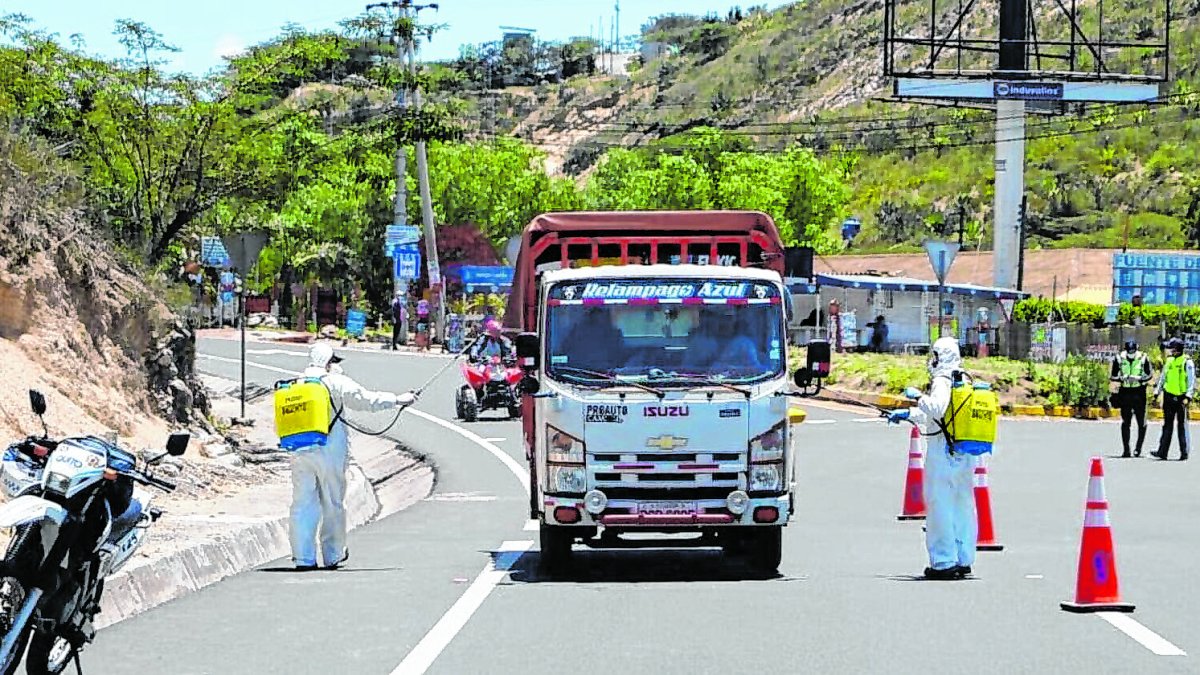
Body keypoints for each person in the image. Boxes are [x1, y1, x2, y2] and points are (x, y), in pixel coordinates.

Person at [290, 343, 417, 570]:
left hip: (299, 451)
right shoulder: (334, 382)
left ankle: (303, 557)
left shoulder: (296, 383)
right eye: (334, 362)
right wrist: (398, 400)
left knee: (302, 504)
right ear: (328, 363)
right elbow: (365, 399)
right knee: (332, 503)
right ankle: (333, 554)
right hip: (328, 452)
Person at [888, 337, 976, 580]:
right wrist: (909, 414)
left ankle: (943, 561)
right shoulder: (963, 379)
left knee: (940, 507)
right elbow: (943, 417)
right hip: (963, 453)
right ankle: (963, 557)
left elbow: (936, 409)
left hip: (943, 454)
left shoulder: (941, 380)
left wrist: (916, 398)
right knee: (962, 506)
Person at [1152, 337, 1194, 461]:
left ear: (1178, 349)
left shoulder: (1187, 362)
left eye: (1172, 348)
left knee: (1182, 425)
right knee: (1167, 425)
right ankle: (1162, 451)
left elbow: (1191, 381)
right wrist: (1157, 392)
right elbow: (1163, 377)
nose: (1170, 351)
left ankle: (1184, 452)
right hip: (1168, 396)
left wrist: (1188, 396)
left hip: (1182, 397)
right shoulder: (1169, 361)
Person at [1110, 340, 1152, 458]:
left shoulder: (1143, 357)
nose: (1131, 354)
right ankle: (1126, 449)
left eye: (1133, 352)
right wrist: (1122, 378)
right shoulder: (1119, 358)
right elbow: (1113, 375)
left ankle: (1138, 448)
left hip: (1139, 393)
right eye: (1129, 352)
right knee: (1125, 422)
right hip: (1125, 393)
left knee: (1141, 423)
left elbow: (1149, 375)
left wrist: (1138, 378)